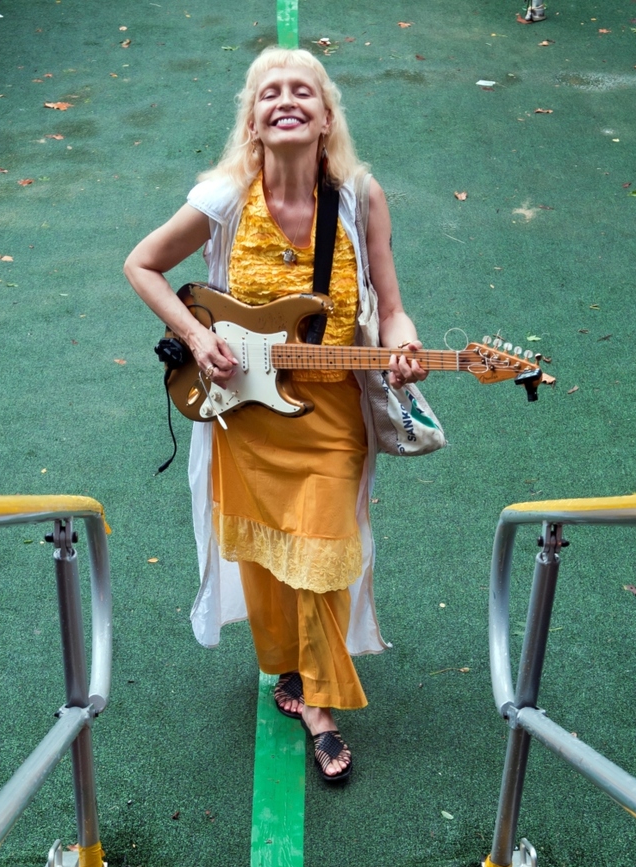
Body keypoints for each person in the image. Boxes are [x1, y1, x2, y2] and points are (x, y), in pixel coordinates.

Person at [124, 45, 427, 782]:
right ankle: (288, 671)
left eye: (303, 91)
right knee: (264, 557)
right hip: (246, 415)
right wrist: (198, 336)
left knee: (323, 553)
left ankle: (321, 705)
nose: (286, 100)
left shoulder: (358, 197)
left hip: (330, 418)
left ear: (326, 118)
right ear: (253, 120)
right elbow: (142, 263)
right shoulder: (223, 197)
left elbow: (391, 309)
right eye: (269, 93)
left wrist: (406, 344)